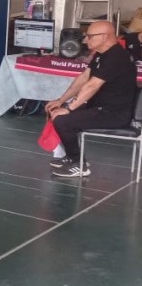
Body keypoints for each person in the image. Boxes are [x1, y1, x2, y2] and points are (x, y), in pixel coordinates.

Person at [45, 20, 137, 177]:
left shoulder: (116, 57)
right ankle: (73, 157)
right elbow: (83, 78)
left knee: (62, 120)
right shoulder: (101, 54)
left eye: (90, 36)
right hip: (98, 108)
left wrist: (68, 109)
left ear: (104, 37)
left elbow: (92, 86)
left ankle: (78, 164)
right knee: (55, 111)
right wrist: (61, 101)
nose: (85, 40)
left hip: (114, 114)